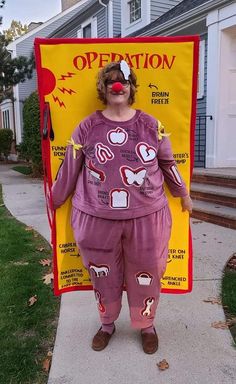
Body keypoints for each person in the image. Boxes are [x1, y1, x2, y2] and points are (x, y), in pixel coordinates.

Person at [51, 61, 193, 354]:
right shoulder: (87, 127)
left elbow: (167, 163)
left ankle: (147, 325)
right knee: (103, 274)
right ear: (103, 88)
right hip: (97, 218)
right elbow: (70, 167)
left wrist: (183, 193)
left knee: (149, 271)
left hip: (147, 216)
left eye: (124, 82)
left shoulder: (151, 125)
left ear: (131, 88)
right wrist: (56, 197)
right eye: (112, 81)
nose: (118, 86)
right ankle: (106, 324)